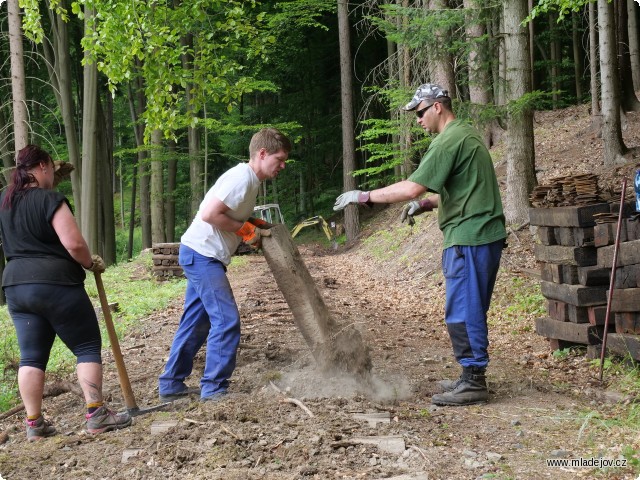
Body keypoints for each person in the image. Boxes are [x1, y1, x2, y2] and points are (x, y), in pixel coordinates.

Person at [333, 84, 506, 406]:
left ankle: (474, 381)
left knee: (463, 312)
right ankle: (470, 375)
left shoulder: (448, 140)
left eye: (420, 112)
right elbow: (464, 189)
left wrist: (365, 196)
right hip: (482, 234)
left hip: (468, 238)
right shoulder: (467, 135)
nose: (417, 119)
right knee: (470, 309)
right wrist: (427, 205)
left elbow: (411, 187)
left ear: (438, 106)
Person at [0, 145, 132, 441]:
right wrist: (89, 262)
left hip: (17, 287)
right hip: (56, 283)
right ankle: (96, 414)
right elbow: (73, 244)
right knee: (86, 345)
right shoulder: (51, 200)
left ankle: (34, 424)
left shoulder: (4, 202)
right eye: (51, 172)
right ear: (44, 166)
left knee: (31, 356)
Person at [158, 128, 292, 403]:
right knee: (226, 319)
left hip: (200, 254)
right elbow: (209, 214)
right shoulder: (242, 179)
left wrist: (250, 222)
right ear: (262, 153)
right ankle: (214, 388)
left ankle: (171, 383)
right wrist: (245, 231)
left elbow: (228, 212)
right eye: (279, 159)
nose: (283, 165)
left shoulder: (250, 180)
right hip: (202, 255)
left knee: (196, 321)